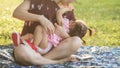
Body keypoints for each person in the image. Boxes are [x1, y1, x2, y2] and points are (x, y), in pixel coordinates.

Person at [12, 0, 83, 65]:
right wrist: (40, 18)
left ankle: (41, 60)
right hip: (30, 46)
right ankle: (55, 61)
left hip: (52, 51)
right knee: (22, 53)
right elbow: (17, 12)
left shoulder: (68, 10)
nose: (73, 1)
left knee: (77, 41)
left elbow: (70, 36)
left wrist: (64, 34)